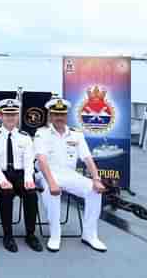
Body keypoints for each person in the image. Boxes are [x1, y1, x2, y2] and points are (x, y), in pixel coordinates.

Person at [35, 98, 107, 252]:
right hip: (47, 174)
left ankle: (90, 235)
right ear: (50, 115)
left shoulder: (76, 134)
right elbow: (41, 160)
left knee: (94, 190)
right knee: (51, 191)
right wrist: (52, 182)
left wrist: (96, 179)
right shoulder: (42, 134)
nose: (59, 117)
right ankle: (55, 235)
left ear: (66, 115)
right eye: (55, 114)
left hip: (70, 175)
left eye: (62, 114)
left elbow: (87, 158)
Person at [0, 98, 43, 252]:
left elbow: (28, 161)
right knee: (6, 194)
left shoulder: (25, 137)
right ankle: (8, 236)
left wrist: (29, 179)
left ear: (18, 116)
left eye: (13, 114)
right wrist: (1, 180)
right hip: (0, 173)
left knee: (31, 194)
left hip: (21, 173)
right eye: (7, 114)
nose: (10, 118)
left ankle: (30, 234)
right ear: (0, 116)